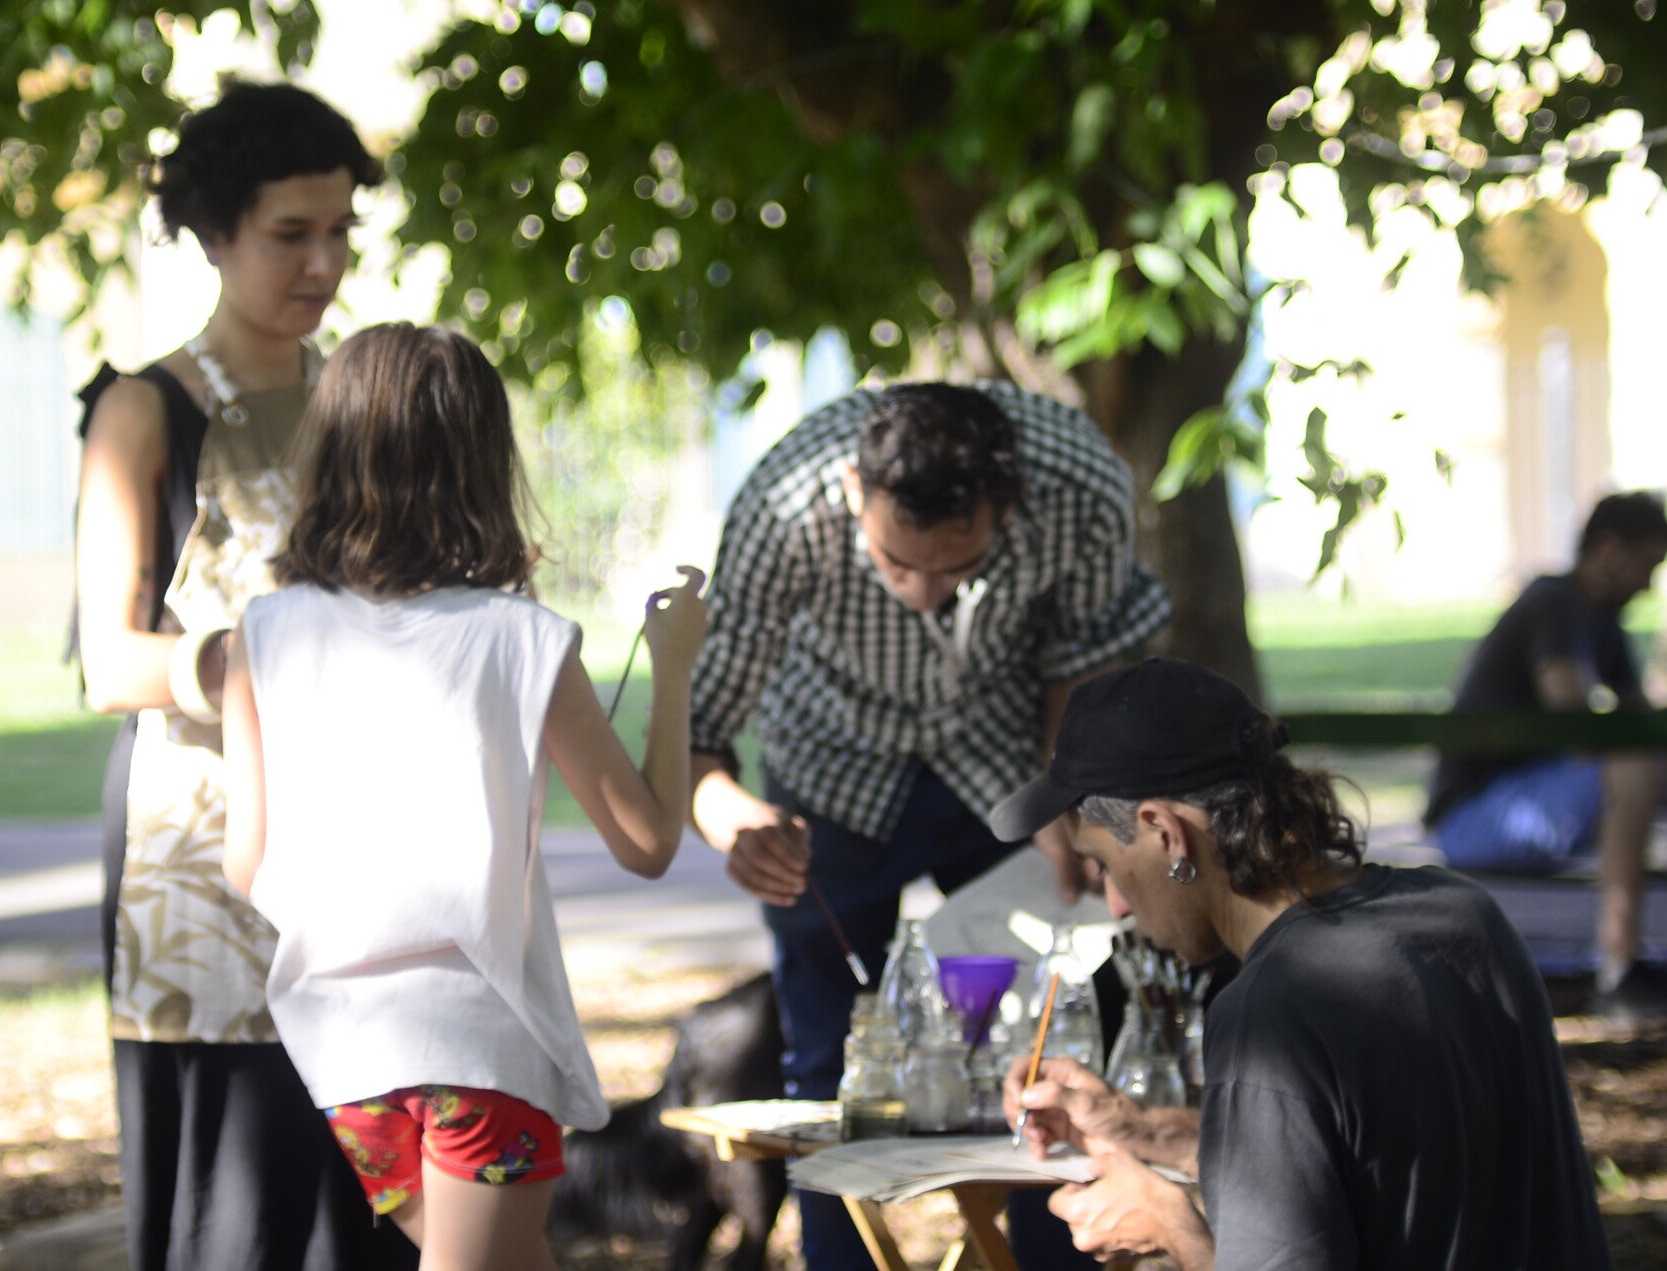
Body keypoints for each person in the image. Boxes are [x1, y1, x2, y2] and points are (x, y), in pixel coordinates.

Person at [217, 321, 710, 1270]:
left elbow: (249, 863)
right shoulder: (519, 636)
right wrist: (675, 665)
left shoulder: (263, 633)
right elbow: (647, 841)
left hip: (345, 1055)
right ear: (483, 462)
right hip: (480, 1049)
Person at [687, 380, 1171, 1269]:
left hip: (1004, 765)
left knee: (1049, 1040)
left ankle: (1045, 1258)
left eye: (955, 570)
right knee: (831, 1059)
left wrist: (1069, 802)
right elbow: (696, 732)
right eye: (894, 564)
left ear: (1009, 507)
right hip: (827, 773)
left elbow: (1087, 667)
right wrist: (734, 820)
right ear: (851, 491)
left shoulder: (1080, 487)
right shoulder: (785, 504)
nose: (921, 594)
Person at [72, 82, 417, 1269]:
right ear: (214, 235)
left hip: (365, 852)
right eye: (290, 234)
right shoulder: (143, 410)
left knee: (368, 1194)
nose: (323, 262)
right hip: (202, 862)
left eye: (339, 231)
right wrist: (255, 659)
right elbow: (108, 660)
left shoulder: (364, 403)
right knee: (235, 1207)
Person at [992, 657, 1612, 1271]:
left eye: (1104, 865)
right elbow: (1367, 1163)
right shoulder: (1464, 915)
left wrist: (1172, 1228)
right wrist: (1142, 1130)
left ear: (1165, 834)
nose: (1117, 905)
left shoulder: (1270, 1014)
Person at [1424, 489, 1667, 1021]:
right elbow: (1575, 719)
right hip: (1475, 817)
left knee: (1646, 764)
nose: (1648, 585)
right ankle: (1619, 969)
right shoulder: (1553, 603)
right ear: (1608, 549)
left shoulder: (1603, 621)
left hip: (1528, 801)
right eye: (1646, 566)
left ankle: (1625, 964)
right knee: (1632, 767)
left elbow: (1641, 716)